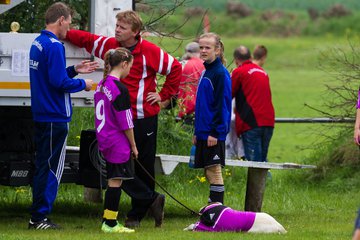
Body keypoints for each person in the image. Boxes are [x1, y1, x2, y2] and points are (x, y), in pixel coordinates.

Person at [66, 10, 181, 227]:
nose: (117, 30)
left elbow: (175, 68)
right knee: (116, 165)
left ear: (135, 32)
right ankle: (151, 199)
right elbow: (88, 40)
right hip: (116, 121)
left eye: (122, 27)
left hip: (143, 118)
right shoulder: (110, 46)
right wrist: (63, 32)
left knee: (143, 165)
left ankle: (136, 214)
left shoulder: (149, 51)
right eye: (117, 26)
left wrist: (164, 96)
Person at [28, 2, 97, 229]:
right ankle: (40, 217)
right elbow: (59, 83)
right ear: (61, 20)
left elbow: (52, 77)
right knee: (51, 168)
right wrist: (84, 84)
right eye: (69, 21)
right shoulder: (55, 46)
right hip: (55, 115)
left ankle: (36, 217)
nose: (70, 25)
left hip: (42, 114)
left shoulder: (38, 43)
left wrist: (74, 70)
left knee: (42, 165)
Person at [95, 48, 165, 233]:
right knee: (117, 181)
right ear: (124, 64)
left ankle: (107, 221)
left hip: (104, 138)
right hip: (117, 142)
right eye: (130, 67)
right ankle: (110, 223)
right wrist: (133, 145)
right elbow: (126, 122)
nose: (129, 72)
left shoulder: (101, 85)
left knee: (114, 179)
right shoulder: (120, 89)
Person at [193, 32, 231, 204]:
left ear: (217, 49)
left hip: (213, 133)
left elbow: (221, 105)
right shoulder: (205, 72)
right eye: (201, 47)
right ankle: (212, 207)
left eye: (207, 47)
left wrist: (215, 132)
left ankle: (217, 212)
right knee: (208, 172)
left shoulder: (220, 74)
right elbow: (202, 105)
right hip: (203, 131)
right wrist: (197, 131)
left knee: (214, 171)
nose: (203, 50)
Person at [232, 46, 275, 163]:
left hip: (252, 123)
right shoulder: (263, 72)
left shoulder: (238, 72)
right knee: (262, 160)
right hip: (268, 121)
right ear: (250, 57)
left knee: (255, 163)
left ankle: (261, 182)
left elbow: (228, 95)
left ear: (236, 60)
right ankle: (267, 181)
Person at [183, 202, 286, 233]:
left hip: (256, 222)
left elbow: (194, 227)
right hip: (262, 216)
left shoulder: (212, 221)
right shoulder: (222, 211)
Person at [178, 42, 205, 123]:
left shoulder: (181, 64)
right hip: (201, 107)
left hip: (184, 107)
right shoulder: (205, 64)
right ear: (199, 52)